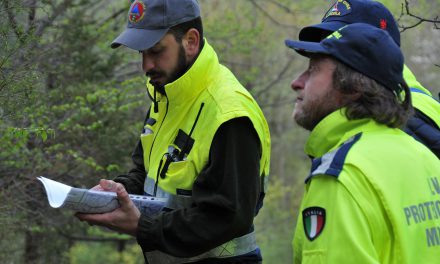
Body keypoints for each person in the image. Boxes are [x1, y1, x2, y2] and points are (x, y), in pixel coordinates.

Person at [76, 0, 271, 263]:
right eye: (141, 53)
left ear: (191, 41)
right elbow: (146, 175)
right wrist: (115, 193)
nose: (146, 66)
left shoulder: (230, 114)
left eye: (156, 51)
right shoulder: (166, 96)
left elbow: (225, 216)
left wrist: (141, 227)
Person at [285, 23, 440, 263]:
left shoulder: (342, 176)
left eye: (313, 70)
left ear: (354, 87)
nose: (297, 81)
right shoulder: (426, 158)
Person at [297, 0, 440, 158]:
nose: (326, 53)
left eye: (342, 41)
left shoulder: (396, 114)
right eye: (325, 43)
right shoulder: (406, 101)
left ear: (378, 44)